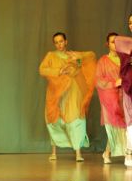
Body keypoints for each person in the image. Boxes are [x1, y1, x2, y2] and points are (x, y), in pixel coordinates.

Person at [39, 32, 96, 162]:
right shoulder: (51, 55)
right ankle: (54, 152)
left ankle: (78, 153)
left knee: (76, 120)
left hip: (73, 92)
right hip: (56, 93)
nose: (59, 44)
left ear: (66, 41)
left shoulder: (74, 55)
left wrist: (79, 59)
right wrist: (58, 71)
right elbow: (42, 69)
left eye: (61, 41)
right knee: (54, 120)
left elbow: (89, 58)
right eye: (56, 42)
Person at [95, 32, 126, 164]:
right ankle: (126, 154)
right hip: (110, 98)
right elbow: (98, 81)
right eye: (112, 42)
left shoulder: (125, 59)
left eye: (117, 41)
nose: (115, 44)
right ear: (107, 44)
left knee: (123, 125)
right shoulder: (103, 61)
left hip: (125, 95)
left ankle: (107, 152)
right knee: (115, 125)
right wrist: (114, 83)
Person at [114, 14, 132, 167]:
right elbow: (117, 40)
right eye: (130, 22)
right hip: (129, 84)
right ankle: (129, 153)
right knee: (130, 120)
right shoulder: (125, 44)